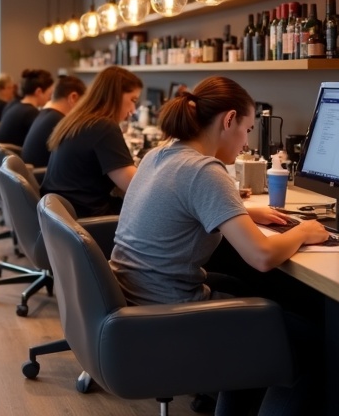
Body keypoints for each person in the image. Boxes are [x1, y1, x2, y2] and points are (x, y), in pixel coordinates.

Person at [110, 76, 328, 415]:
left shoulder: (160, 153)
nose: (245, 142)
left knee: (243, 290)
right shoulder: (205, 170)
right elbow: (262, 256)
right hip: (169, 315)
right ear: (229, 120)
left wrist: (240, 211)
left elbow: (183, 203)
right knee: (321, 350)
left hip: (138, 301)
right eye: (247, 128)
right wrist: (303, 232)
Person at [40, 66, 141, 218]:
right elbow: (135, 186)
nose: (133, 110)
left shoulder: (79, 119)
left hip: (60, 220)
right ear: (115, 95)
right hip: (85, 222)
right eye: (132, 100)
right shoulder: (104, 126)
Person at [20, 75, 87, 168]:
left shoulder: (45, 114)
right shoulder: (59, 122)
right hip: (40, 177)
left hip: (32, 175)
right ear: (73, 97)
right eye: (83, 102)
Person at [0, 69, 54, 146]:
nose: (50, 98)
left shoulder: (15, 105)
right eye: (49, 94)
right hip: (18, 155)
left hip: (4, 155)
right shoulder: (31, 113)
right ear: (39, 92)